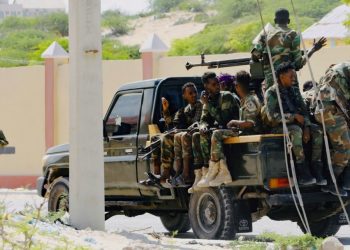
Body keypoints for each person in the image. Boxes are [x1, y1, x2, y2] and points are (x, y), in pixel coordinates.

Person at [264, 62, 326, 186]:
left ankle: (316, 168)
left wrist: (307, 127)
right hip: (279, 128)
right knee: (295, 130)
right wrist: (293, 117)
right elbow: (271, 117)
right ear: (281, 76)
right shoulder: (271, 93)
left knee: (317, 130)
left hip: (299, 125)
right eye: (290, 76)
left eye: (294, 76)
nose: (293, 78)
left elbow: (305, 112)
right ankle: (303, 171)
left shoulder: (295, 91)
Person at [251, 8, 326, 90]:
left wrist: (264, 67)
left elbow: (254, 56)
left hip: (271, 82)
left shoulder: (265, 34)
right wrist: (313, 49)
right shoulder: (293, 35)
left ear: (275, 20)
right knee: (293, 102)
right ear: (288, 21)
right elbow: (298, 63)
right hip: (290, 81)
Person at [193, 72, 240, 189]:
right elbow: (203, 120)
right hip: (221, 131)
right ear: (206, 87)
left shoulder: (226, 96)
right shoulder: (208, 100)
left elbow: (223, 119)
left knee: (215, 133)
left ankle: (216, 171)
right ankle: (204, 171)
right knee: (197, 135)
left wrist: (207, 104)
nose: (217, 86)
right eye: (214, 84)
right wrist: (203, 126)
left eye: (217, 83)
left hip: (234, 130)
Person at [313, 62, 350, 195]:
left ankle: (346, 180)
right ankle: (330, 183)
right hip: (329, 111)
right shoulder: (344, 70)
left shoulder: (341, 69)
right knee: (344, 147)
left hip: (330, 109)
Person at [159, 82, 203, 184]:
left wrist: (180, 129)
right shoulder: (184, 110)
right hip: (186, 133)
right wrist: (166, 110)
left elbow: (196, 122)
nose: (194, 95)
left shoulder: (200, 105)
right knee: (165, 137)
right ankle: (166, 171)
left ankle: (184, 174)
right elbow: (172, 122)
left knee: (180, 135)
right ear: (184, 96)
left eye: (195, 92)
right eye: (190, 93)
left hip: (195, 134)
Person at [226, 71, 262, 135]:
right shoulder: (245, 100)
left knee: (217, 134)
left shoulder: (250, 101)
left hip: (252, 139)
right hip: (246, 136)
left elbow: (251, 123)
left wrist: (234, 122)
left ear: (237, 85)